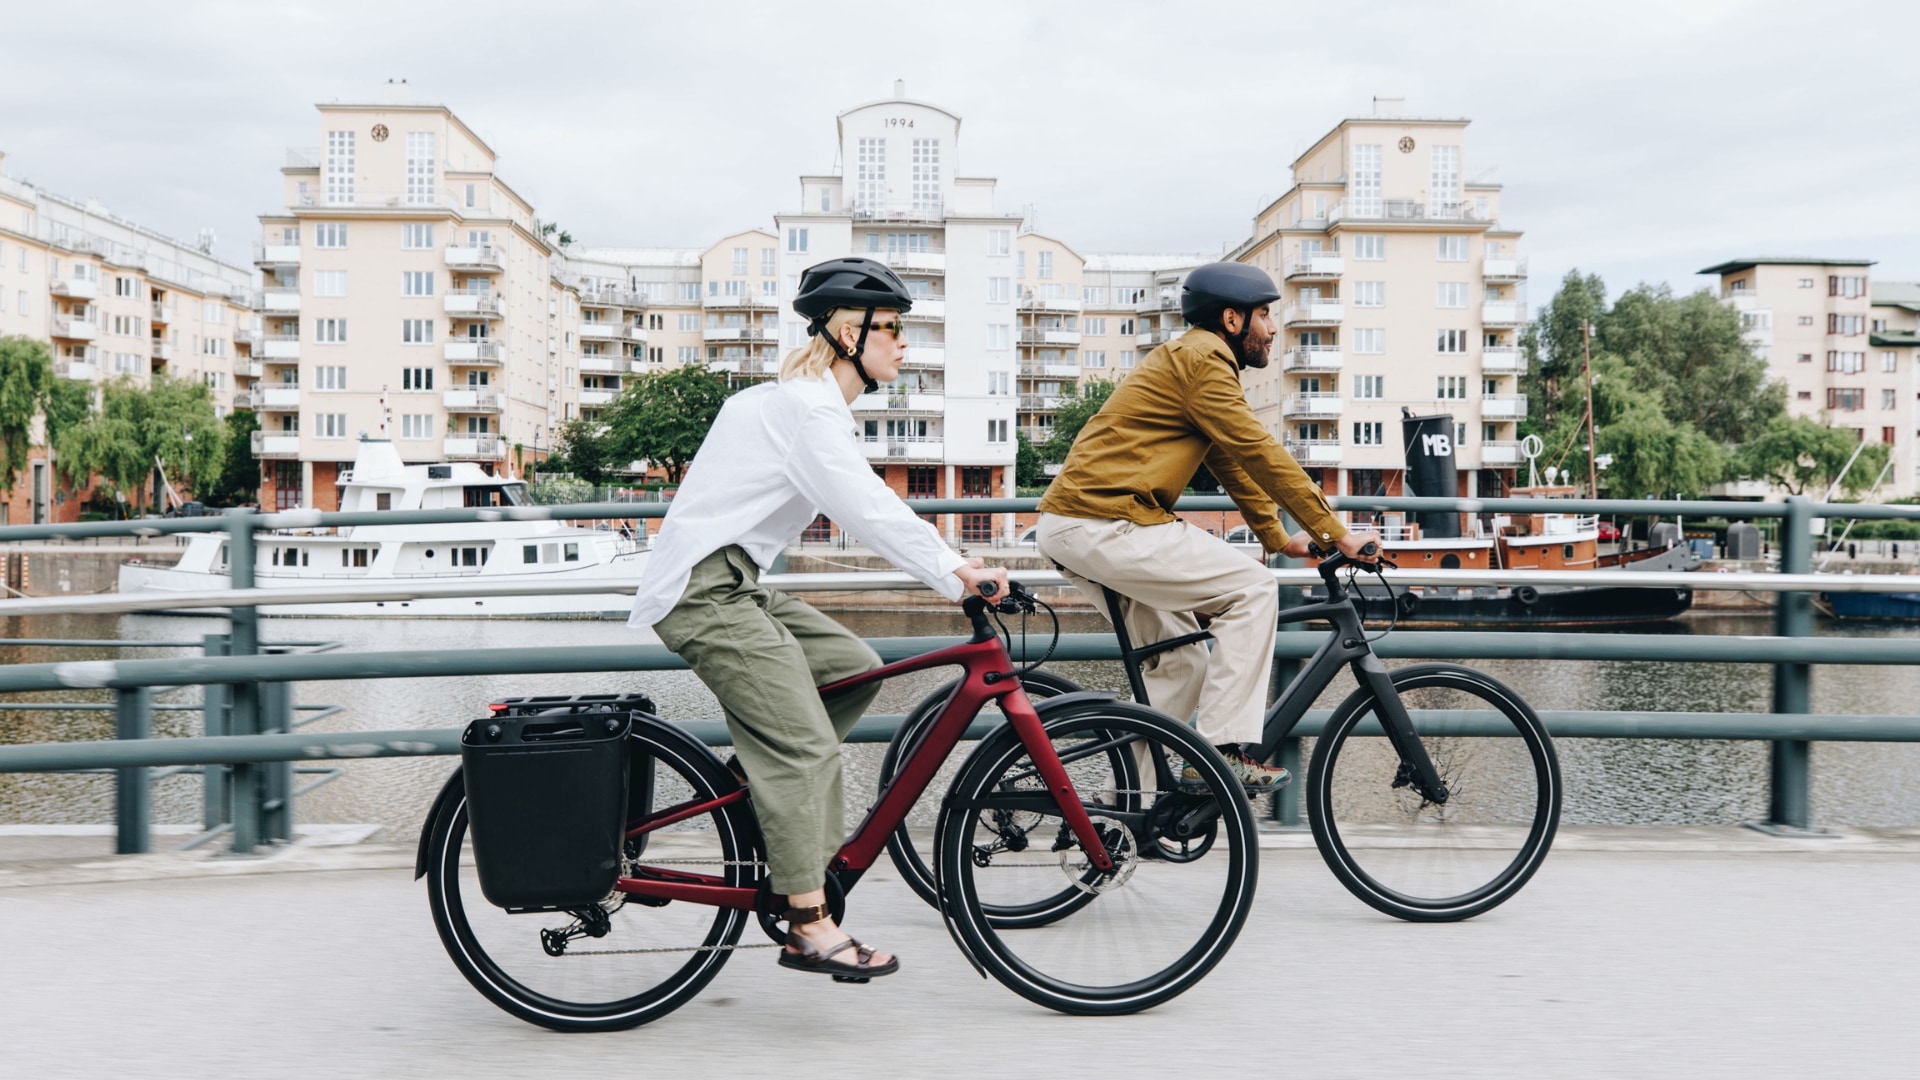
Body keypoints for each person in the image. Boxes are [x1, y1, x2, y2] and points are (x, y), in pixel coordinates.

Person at [629, 256, 1006, 982]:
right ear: (845, 334)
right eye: (891, 329)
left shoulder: (804, 405)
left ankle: (763, 799)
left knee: (855, 669)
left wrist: (948, 567)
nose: (903, 345)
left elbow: (858, 497)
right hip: (705, 594)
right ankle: (808, 923)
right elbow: (863, 504)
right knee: (806, 749)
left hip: (736, 584)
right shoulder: (804, 409)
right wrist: (956, 572)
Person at [1035, 261, 1379, 788]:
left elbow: (1227, 460)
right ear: (1232, 319)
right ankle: (1218, 754)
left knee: (1183, 663)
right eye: (1264, 314)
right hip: (1107, 520)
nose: (1271, 329)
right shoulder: (1205, 360)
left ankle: (1127, 809)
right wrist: (1338, 532)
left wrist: (1279, 536)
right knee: (1254, 589)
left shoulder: (1193, 360)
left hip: (1080, 524)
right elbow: (1259, 451)